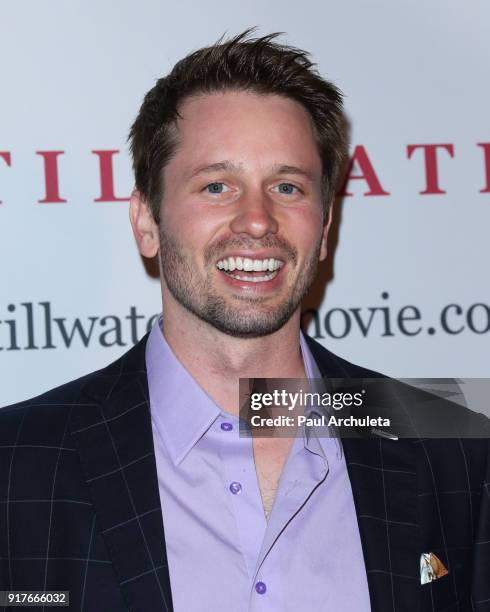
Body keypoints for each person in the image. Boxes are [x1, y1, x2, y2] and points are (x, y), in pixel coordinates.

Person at [0, 30, 489, 612]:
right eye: (216, 185)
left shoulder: (452, 445)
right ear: (146, 221)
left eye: (287, 186)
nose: (257, 221)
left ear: (325, 226)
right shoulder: (17, 463)